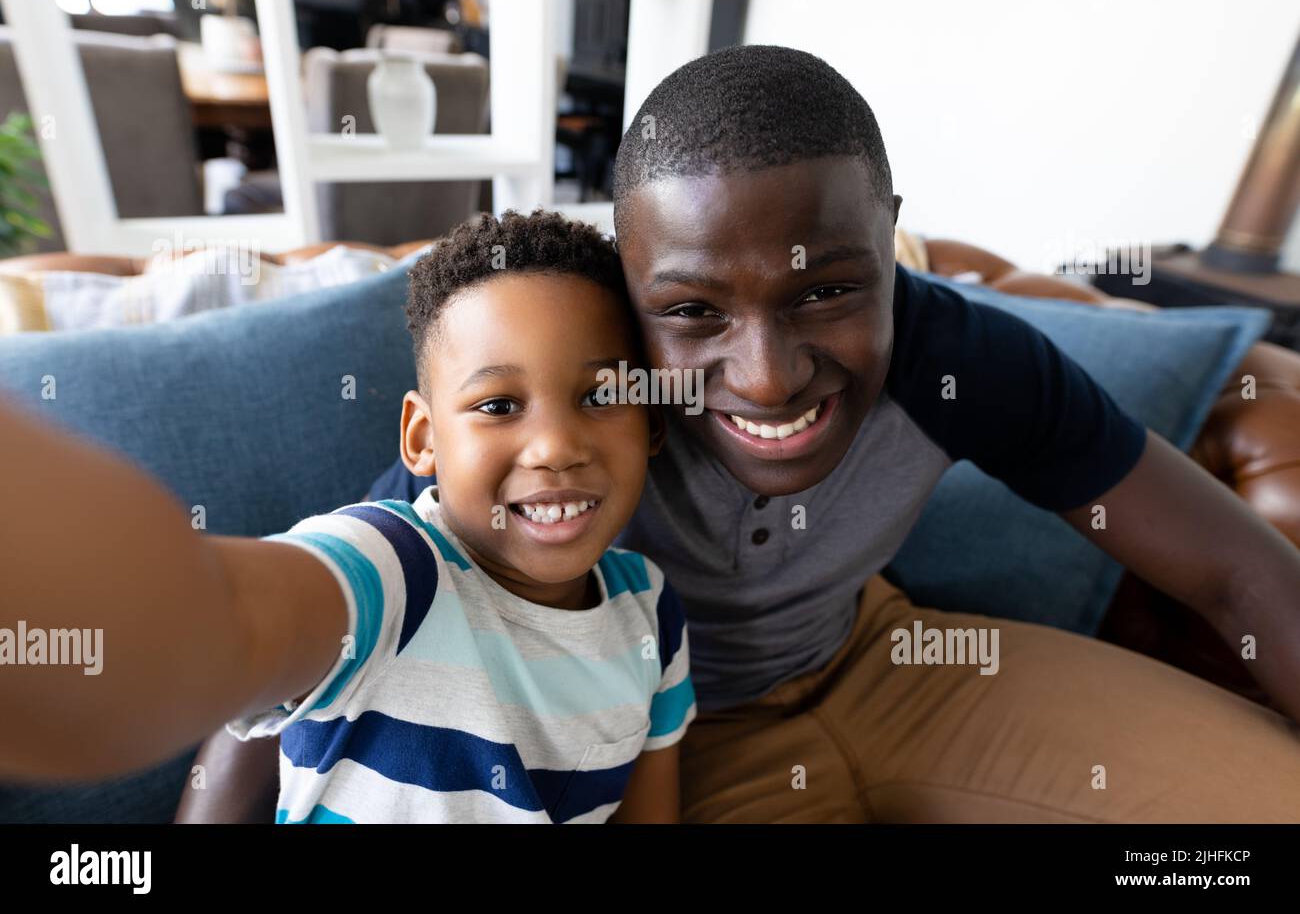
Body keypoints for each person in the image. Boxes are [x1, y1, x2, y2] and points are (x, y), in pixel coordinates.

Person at [180, 44, 1300, 823]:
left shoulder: (960, 357)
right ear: (628, 285)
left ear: (889, 241)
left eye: (824, 293)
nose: (765, 378)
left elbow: (1236, 569)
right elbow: (283, 666)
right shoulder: (570, 390)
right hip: (655, 739)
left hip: (891, 659)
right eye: (693, 311)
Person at [1, 210, 695, 823]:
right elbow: (225, 615)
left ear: (652, 424)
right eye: (498, 405)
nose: (554, 447)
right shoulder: (393, 565)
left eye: (602, 396)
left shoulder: (652, 614)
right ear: (423, 439)